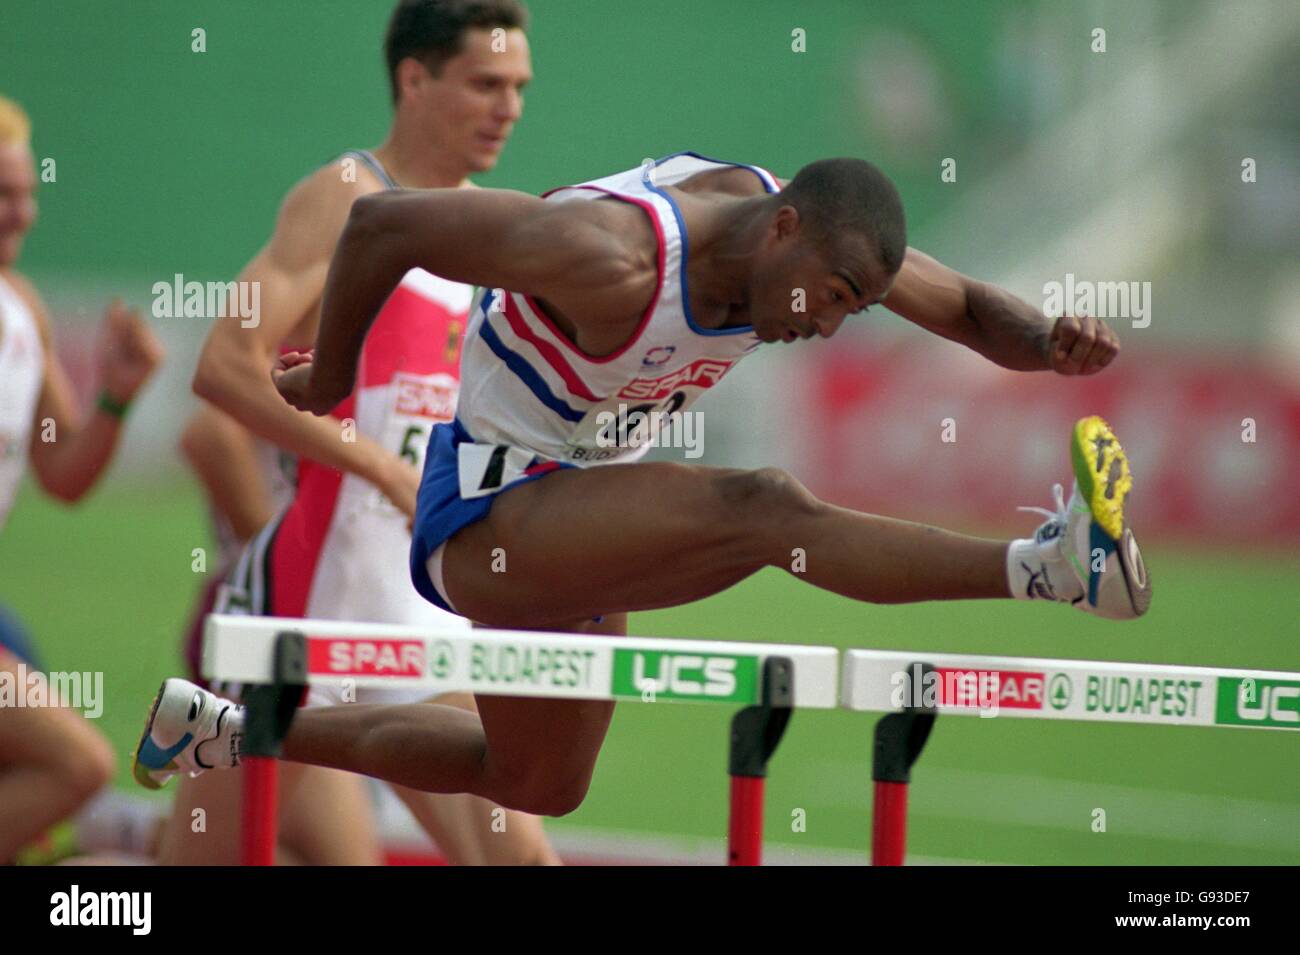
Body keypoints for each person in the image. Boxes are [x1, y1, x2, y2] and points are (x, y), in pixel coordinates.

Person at [137, 150, 1151, 821]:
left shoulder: (806, 255)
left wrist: (1049, 343)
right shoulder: (612, 257)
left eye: (856, 309)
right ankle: (1051, 566)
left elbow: (970, 306)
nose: (827, 325)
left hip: (579, 507)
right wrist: (332, 372)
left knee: (536, 781)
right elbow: (382, 226)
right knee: (764, 508)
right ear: (781, 228)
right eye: (832, 299)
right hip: (486, 517)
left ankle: (224, 724)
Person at [152, 0, 558, 865]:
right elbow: (223, 364)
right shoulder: (346, 197)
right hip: (306, 600)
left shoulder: (496, 229)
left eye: (519, 86)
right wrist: (375, 466)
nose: (509, 107)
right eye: (486, 84)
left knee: (518, 857)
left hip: (418, 605)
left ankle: (183, 737)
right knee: (197, 862)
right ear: (414, 79)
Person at [0, 94, 163, 861]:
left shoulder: (22, 309)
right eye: (3, 194)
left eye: (28, 192)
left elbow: (63, 471)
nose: (23, 213)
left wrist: (116, 396)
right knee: (78, 763)